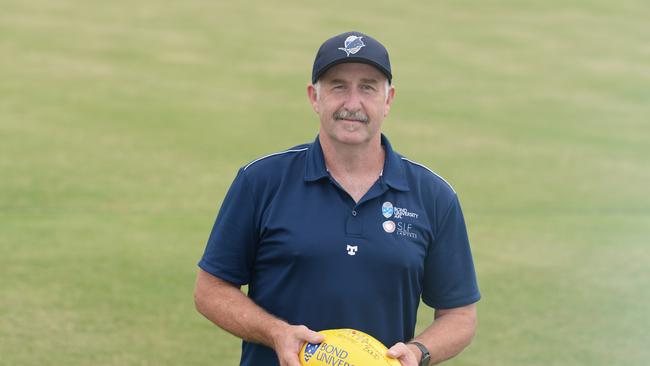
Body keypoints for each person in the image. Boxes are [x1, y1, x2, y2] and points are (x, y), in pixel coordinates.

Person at [194, 31, 480, 366]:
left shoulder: (434, 196)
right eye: (338, 86)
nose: (352, 104)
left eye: (368, 87)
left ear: (388, 100)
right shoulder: (260, 181)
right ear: (315, 97)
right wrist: (276, 332)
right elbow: (210, 290)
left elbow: (460, 314)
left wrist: (418, 352)